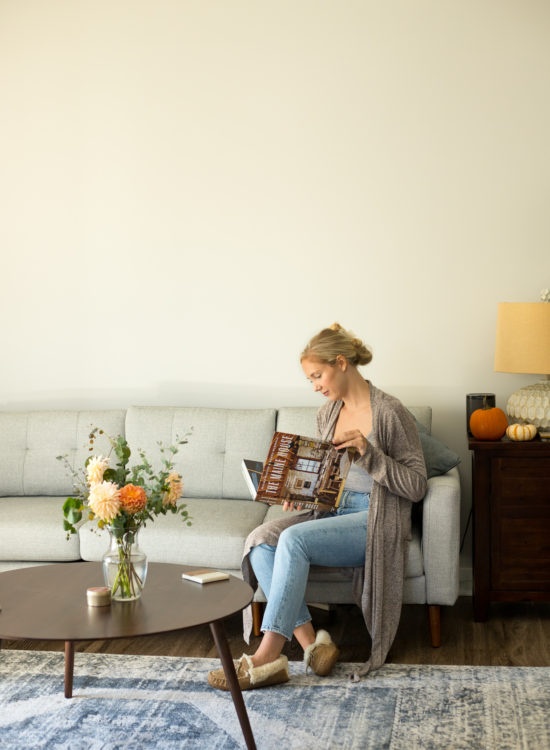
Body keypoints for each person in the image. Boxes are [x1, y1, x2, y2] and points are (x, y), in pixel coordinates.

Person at [207, 323, 427, 691]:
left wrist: (370, 455)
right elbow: (328, 479)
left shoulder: (390, 412)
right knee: (261, 541)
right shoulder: (327, 413)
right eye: (311, 379)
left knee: (293, 540)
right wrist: (301, 492)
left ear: (341, 363)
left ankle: (266, 656)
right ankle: (312, 647)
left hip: (374, 516)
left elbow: (417, 486)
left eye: (317, 375)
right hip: (332, 512)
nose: (315, 386)